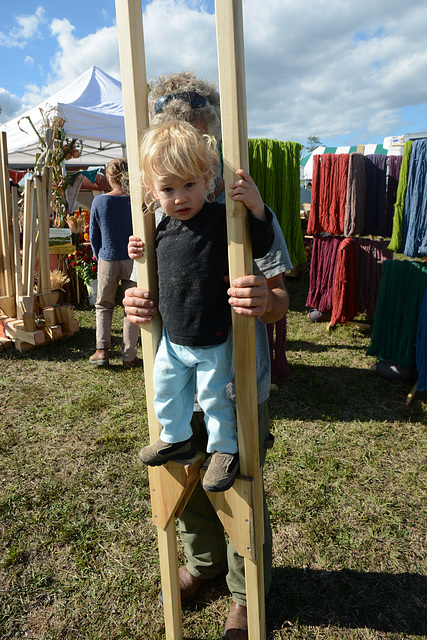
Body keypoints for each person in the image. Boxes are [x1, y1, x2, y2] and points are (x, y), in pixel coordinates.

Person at [124, 71, 291, 639]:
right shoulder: (156, 214)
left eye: (198, 138)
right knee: (182, 466)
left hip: (235, 372)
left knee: (238, 475)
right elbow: (154, 281)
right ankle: (202, 562)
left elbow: (283, 291)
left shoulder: (242, 205)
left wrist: (266, 298)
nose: (188, 155)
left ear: (212, 144)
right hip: (178, 360)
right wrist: (138, 300)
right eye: (174, 138)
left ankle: (246, 589)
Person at [136, 120, 274, 493]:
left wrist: (257, 208)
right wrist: (138, 250)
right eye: (168, 189)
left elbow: (257, 245)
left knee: (215, 398)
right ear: (153, 190)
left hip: (214, 334)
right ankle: (176, 437)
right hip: (174, 337)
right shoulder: (160, 228)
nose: (179, 197)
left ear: (208, 179)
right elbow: (152, 269)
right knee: (163, 387)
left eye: (189, 185)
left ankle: (224, 450)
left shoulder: (222, 219)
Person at [89, 159, 140, 368]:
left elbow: (94, 235)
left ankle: (102, 351)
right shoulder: (136, 201)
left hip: (108, 258)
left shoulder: (100, 202)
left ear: (109, 179)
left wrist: (98, 254)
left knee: (103, 305)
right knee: (131, 307)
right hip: (133, 259)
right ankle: (129, 356)